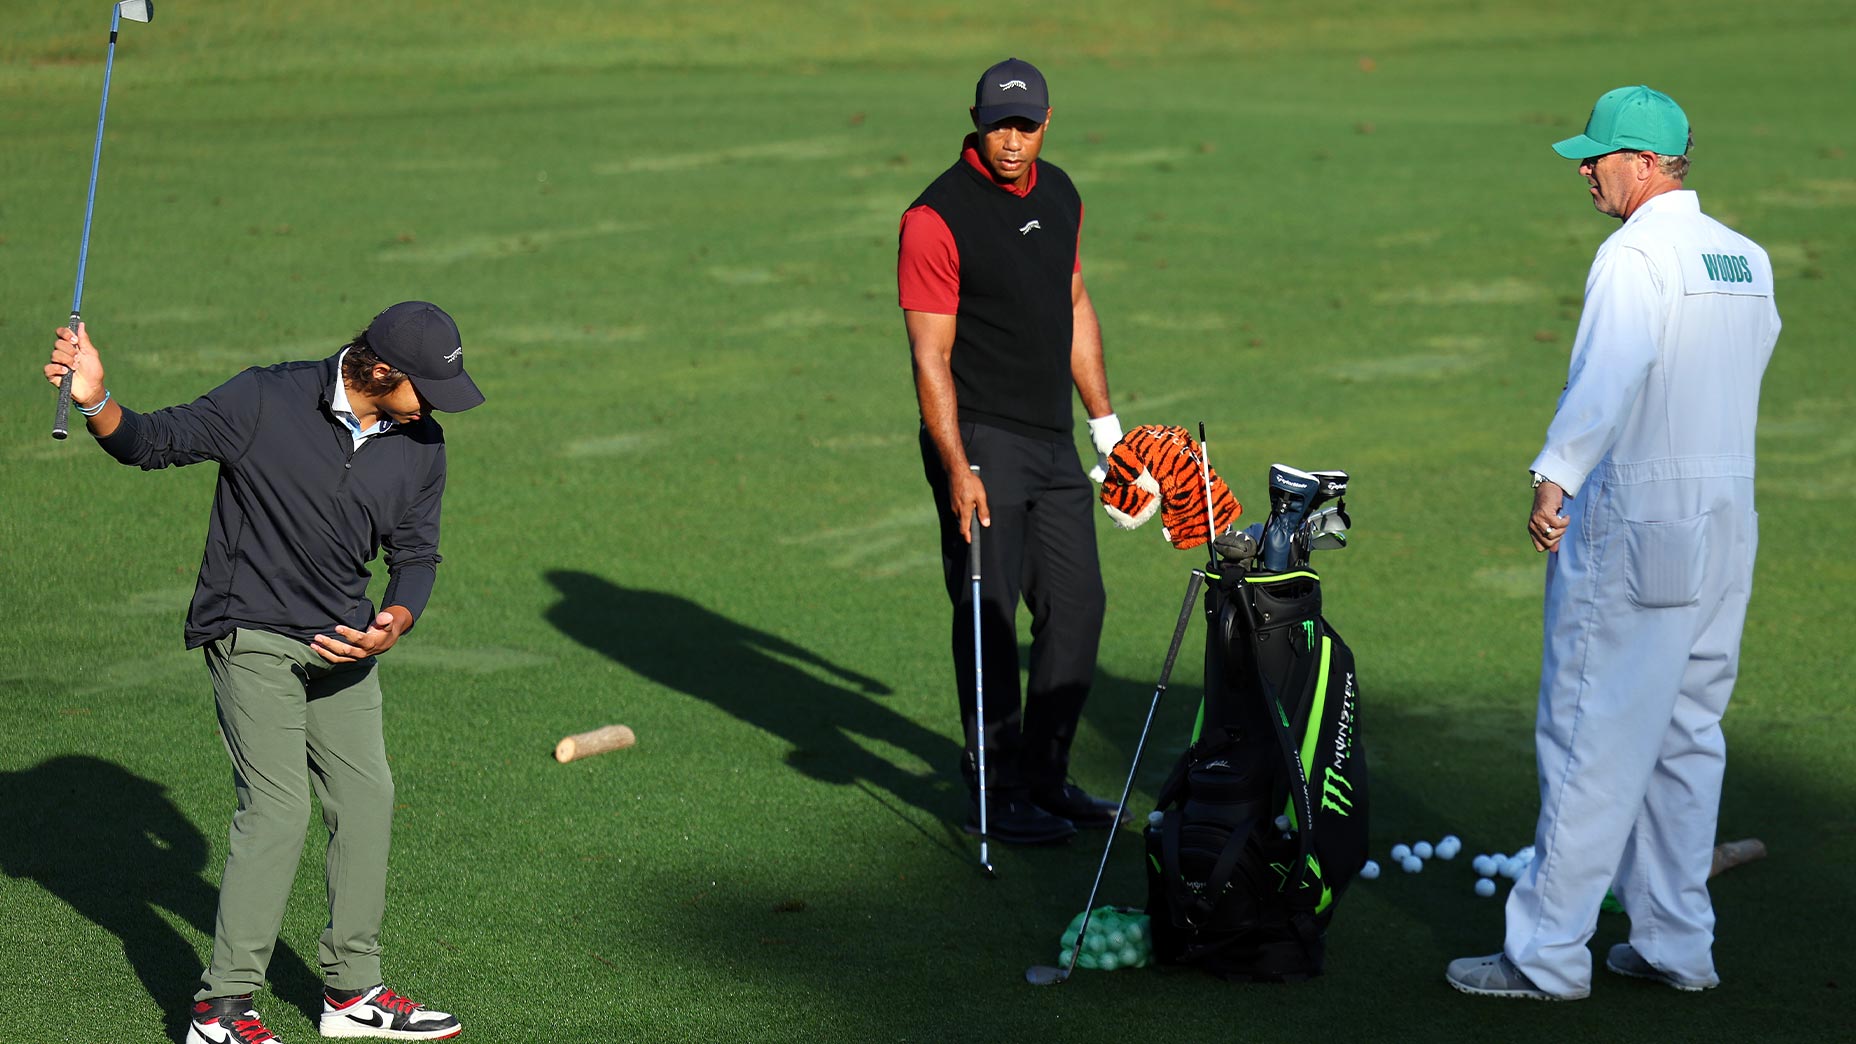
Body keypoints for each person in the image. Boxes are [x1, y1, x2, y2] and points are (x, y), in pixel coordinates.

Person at [45, 302, 484, 1041]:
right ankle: (220, 1010)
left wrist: (395, 622)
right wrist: (94, 396)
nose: (436, 409)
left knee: (369, 796)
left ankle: (351, 993)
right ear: (381, 371)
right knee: (279, 810)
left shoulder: (421, 443)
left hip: (343, 643)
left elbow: (417, 556)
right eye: (427, 391)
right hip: (250, 630)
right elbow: (152, 443)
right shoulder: (264, 399)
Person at [1447, 86, 1781, 1000]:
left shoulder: (1635, 255)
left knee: (1589, 735)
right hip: (1726, 525)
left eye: (1597, 156)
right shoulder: (1746, 260)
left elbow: (1610, 374)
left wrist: (1555, 473)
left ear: (1644, 164)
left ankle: (1545, 956)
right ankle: (1678, 946)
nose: (1585, 169)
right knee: (1687, 736)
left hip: (1636, 523)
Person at [898, 57, 1127, 845]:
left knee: (1078, 605)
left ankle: (1045, 776)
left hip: (1053, 437)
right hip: (981, 438)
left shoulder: (1060, 192)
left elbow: (1073, 301)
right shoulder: (936, 216)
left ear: (1047, 124)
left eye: (1025, 126)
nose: (1012, 141)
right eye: (1000, 123)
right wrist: (956, 465)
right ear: (976, 119)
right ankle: (994, 790)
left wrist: (1108, 432)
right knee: (989, 611)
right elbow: (930, 357)